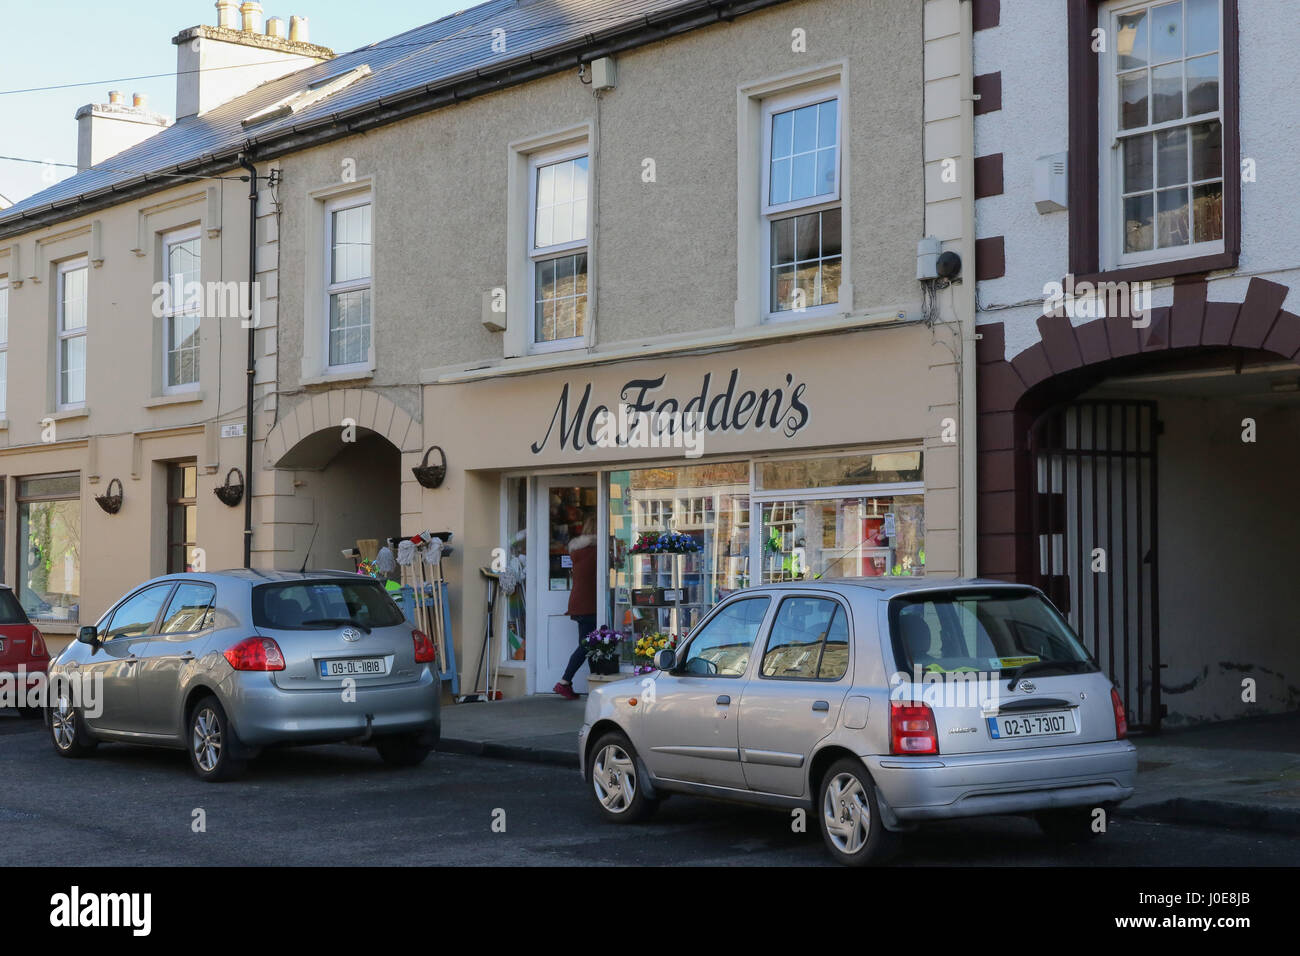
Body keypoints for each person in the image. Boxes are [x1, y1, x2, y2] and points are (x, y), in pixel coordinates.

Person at [554, 516, 597, 699]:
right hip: (589, 603)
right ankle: (564, 681)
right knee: (588, 645)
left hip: (578, 602)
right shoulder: (595, 550)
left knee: (593, 645)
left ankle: (595, 684)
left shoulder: (576, 549)